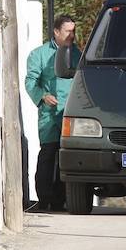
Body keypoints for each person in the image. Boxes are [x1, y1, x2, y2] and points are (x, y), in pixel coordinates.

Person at [24, 14, 81, 211]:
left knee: (67, 156)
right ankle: (44, 199)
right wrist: (43, 96)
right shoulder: (38, 54)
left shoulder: (78, 55)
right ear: (56, 32)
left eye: (73, 31)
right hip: (49, 113)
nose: (72, 35)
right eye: (68, 31)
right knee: (48, 154)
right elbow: (30, 82)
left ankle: (61, 199)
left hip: (71, 114)